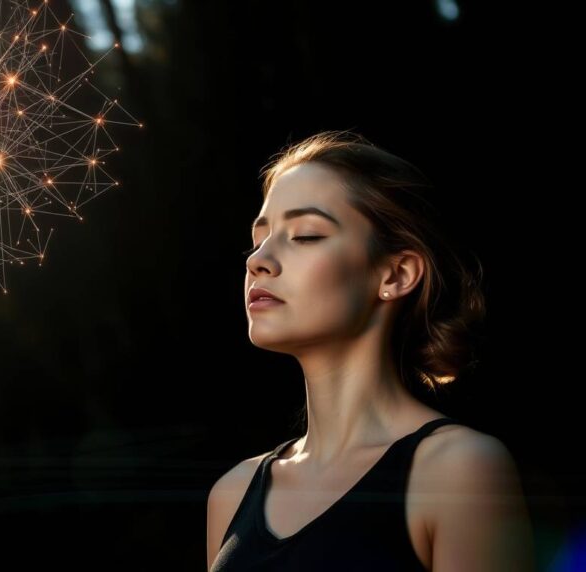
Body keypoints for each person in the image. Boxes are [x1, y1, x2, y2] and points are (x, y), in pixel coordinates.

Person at [206, 130, 534, 571]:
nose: (257, 259)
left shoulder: (457, 470)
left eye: (305, 235)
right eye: (259, 238)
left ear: (396, 275)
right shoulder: (232, 493)